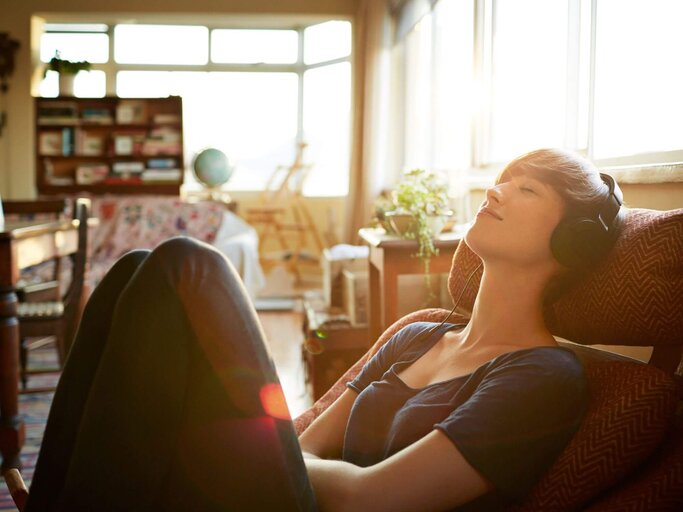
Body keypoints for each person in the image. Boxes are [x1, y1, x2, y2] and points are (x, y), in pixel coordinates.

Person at [26, 148, 623, 512]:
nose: (495, 189)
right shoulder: (418, 336)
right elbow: (303, 446)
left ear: (572, 242)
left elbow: (372, 499)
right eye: (503, 177)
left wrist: (237, 450)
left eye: (526, 188)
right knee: (133, 271)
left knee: (189, 263)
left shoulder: (543, 376)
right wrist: (244, 450)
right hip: (283, 495)